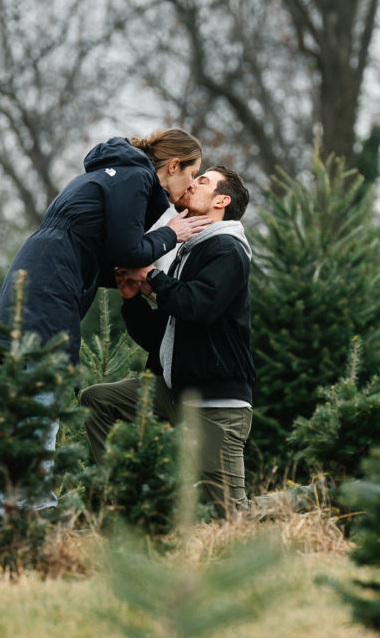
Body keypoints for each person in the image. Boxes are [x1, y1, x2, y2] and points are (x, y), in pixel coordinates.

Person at [0, 128, 211, 512]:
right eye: (192, 174)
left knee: (26, 400)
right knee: (43, 394)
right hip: (50, 285)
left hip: (39, 275)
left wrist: (129, 276)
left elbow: (108, 253)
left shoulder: (116, 173)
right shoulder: (136, 175)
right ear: (173, 166)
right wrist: (171, 234)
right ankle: (32, 513)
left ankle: (12, 512)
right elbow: (126, 247)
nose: (189, 187)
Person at [81, 166, 256, 518]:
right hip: (176, 392)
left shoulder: (227, 249)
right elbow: (161, 337)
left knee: (233, 517)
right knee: (97, 401)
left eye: (203, 181)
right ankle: (123, 503)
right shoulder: (189, 252)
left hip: (216, 403)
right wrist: (133, 298)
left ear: (222, 201)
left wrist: (154, 277)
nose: (192, 184)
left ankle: (321, 497)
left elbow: (200, 305)